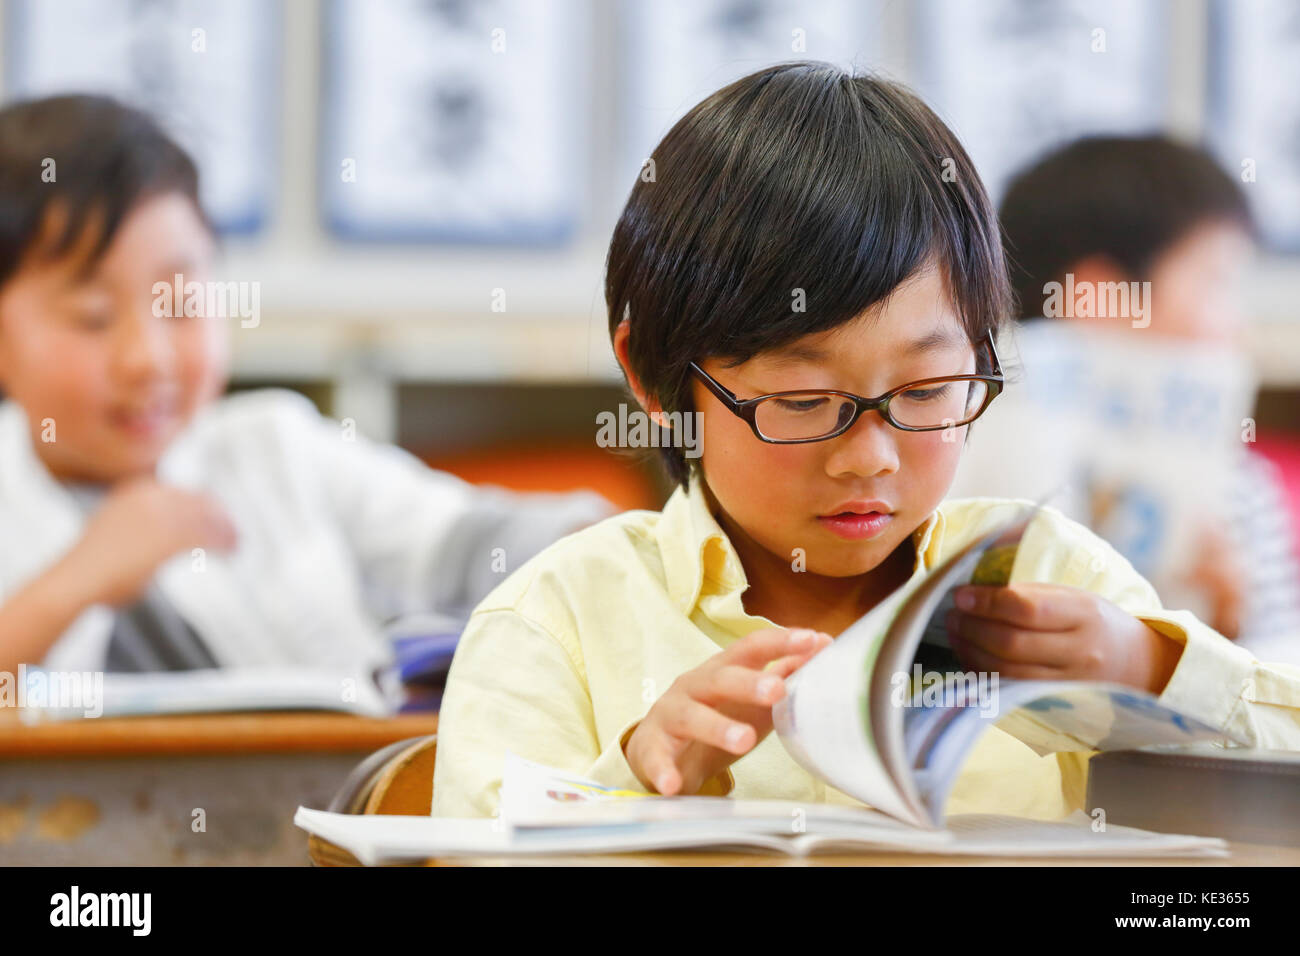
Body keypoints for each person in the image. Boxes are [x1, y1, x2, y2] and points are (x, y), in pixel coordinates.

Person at [430, 63, 1300, 820]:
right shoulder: (558, 622)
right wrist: (628, 792)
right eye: (805, 400)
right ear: (656, 380)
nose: (871, 457)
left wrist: (1150, 666)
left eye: (925, 391)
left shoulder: (1050, 577)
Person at [0, 94, 610, 679]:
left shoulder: (274, 447)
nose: (145, 359)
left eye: (181, 304)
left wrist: (610, 544)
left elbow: (464, 543)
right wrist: (72, 585)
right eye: (93, 316)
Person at [988, 135, 1300, 662]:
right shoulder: (967, 444)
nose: (1236, 325)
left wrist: (1230, 624)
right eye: (1215, 282)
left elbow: (1281, 696)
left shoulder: (1241, 492)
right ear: (1097, 296)